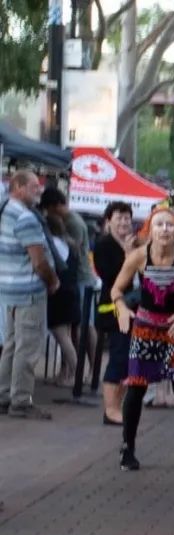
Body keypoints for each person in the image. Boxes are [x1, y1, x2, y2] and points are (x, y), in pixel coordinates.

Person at [111, 205, 174, 471]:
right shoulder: (139, 257)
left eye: (170, 225)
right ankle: (127, 447)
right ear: (149, 229)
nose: (165, 230)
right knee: (137, 386)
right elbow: (116, 290)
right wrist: (122, 310)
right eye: (159, 225)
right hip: (145, 326)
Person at [0, 170, 58, 420]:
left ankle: (4, 395)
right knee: (27, 346)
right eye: (34, 186)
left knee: (12, 345)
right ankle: (21, 400)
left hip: (9, 289)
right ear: (19, 187)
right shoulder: (25, 218)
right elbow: (38, 260)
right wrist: (52, 280)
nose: (40, 191)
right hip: (28, 290)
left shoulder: (5, 210)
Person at [41, 186, 97, 371]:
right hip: (78, 279)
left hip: (80, 278)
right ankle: (78, 371)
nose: (47, 212)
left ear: (55, 205)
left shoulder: (72, 223)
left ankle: (85, 371)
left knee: (83, 326)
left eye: (48, 208)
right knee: (77, 327)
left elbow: (70, 251)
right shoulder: (71, 220)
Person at [94, 202, 137, 425]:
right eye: (119, 218)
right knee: (118, 358)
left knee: (127, 360)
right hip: (112, 311)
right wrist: (129, 256)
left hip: (130, 311)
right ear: (108, 221)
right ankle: (110, 410)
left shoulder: (131, 243)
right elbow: (111, 276)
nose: (124, 222)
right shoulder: (103, 245)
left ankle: (117, 407)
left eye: (127, 218)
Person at [44, 214, 82, 387]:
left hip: (58, 294)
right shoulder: (69, 243)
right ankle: (65, 374)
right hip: (71, 291)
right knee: (65, 334)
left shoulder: (52, 244)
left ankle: (75, 373)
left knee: (62, 336)